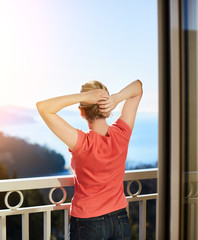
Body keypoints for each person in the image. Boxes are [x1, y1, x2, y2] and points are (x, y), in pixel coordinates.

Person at [36, 80, 143, 240]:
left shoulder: (81, 142)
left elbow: (43, 108)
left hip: (89, 222)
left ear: (82, 112)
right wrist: (116, 98)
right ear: (107, 109)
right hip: (120, 219)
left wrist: (84, 96)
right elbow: (138, 88)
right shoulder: (121, 133)